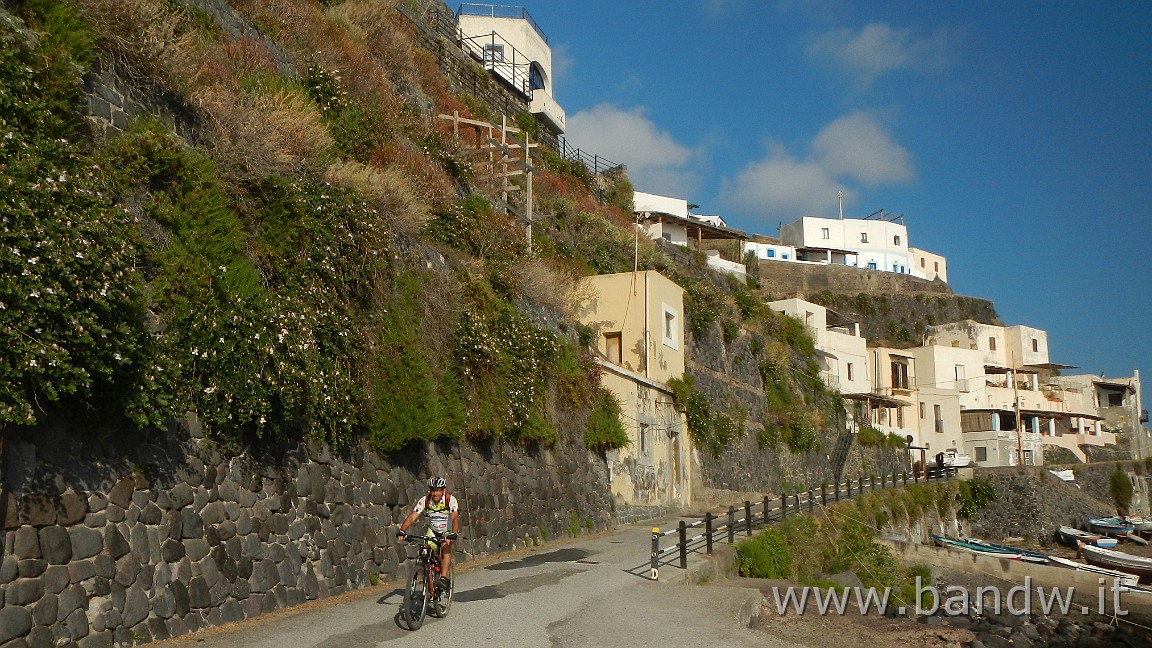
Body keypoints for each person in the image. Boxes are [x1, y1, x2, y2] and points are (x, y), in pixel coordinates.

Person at [397, 476, 460, 591]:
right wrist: (402, 530)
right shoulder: (425, 500)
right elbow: (412, 517)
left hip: (447, 531)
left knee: (446, 547)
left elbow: (455, 517)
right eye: (432, 490)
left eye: (438, 490)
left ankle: (444, 578)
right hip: (433, 531)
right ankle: (428, 576)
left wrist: (454, 533)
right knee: (425, 551)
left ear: (443, 490)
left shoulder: (450, 500)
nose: (435, 493)